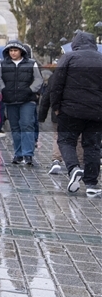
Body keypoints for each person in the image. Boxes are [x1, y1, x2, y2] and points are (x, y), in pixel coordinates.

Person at [49, 31, 102, 197]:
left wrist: (56, 106)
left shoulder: (69, 58)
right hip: (96, 112)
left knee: (66, 140)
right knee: (93, 145)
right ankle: (92, 184)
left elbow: (57, 85)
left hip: (70, 109)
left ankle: (73, 168)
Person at [0, 41, 43, 166]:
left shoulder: (31, 64)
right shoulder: (2, 64)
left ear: (21, 51)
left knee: (27, 125)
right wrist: (4, 89)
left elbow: (38, 79)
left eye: (15, 50)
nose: (13, 53)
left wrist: (30, 90)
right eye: (11, 51)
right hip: (10, 100)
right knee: (15, 127)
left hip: (27, 99)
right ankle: (18, 153)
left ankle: (28, 154)